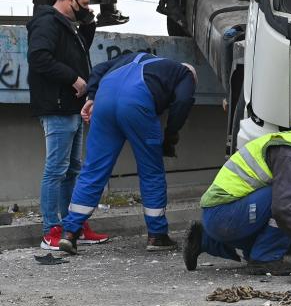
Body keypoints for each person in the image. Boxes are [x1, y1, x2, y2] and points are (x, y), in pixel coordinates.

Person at [57, 53, 197, 254]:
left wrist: (91, 97)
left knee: (93, 170)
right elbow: (183, 101)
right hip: (137, 102)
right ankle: (157, 236)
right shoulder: (184, 73)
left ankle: (69, 233)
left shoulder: (133, 57)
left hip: (104, 101)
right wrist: (171, 134)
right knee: (151, 171)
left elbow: (97, 70)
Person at [182, 121, 291, 275]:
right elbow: (283, 210)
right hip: (223, 214)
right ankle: (266, 259)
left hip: (220, 217)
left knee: (258, 246)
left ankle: (204, 240)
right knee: (288, 204)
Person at [27, 0, 110, 250]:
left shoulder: (66, 26)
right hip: (57, 106)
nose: (86, 9)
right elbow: (38, 57)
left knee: (72, 169)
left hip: (70, 107)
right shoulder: (47, 22)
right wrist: (73, 78)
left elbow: (80, 51)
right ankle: (51, 230)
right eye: (84, 5)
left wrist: (88, 23)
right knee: (56, 170)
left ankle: (73, 226)